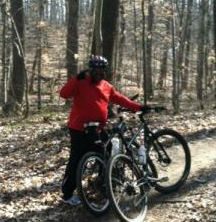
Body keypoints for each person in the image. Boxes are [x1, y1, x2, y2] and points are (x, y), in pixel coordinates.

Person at [59, 55, 149, 205]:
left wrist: (139, 107)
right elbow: (63, 94)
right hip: (79, 129)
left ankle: (105, 185)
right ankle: (68, 194)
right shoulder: (81, 82)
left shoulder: (107, 86)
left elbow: (121, 99)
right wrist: (76, 78)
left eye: (102, 70)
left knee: (107, 154)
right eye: (96, 70)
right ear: (90, 70)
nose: (99, 73)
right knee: (76, 160)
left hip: (98, 129)